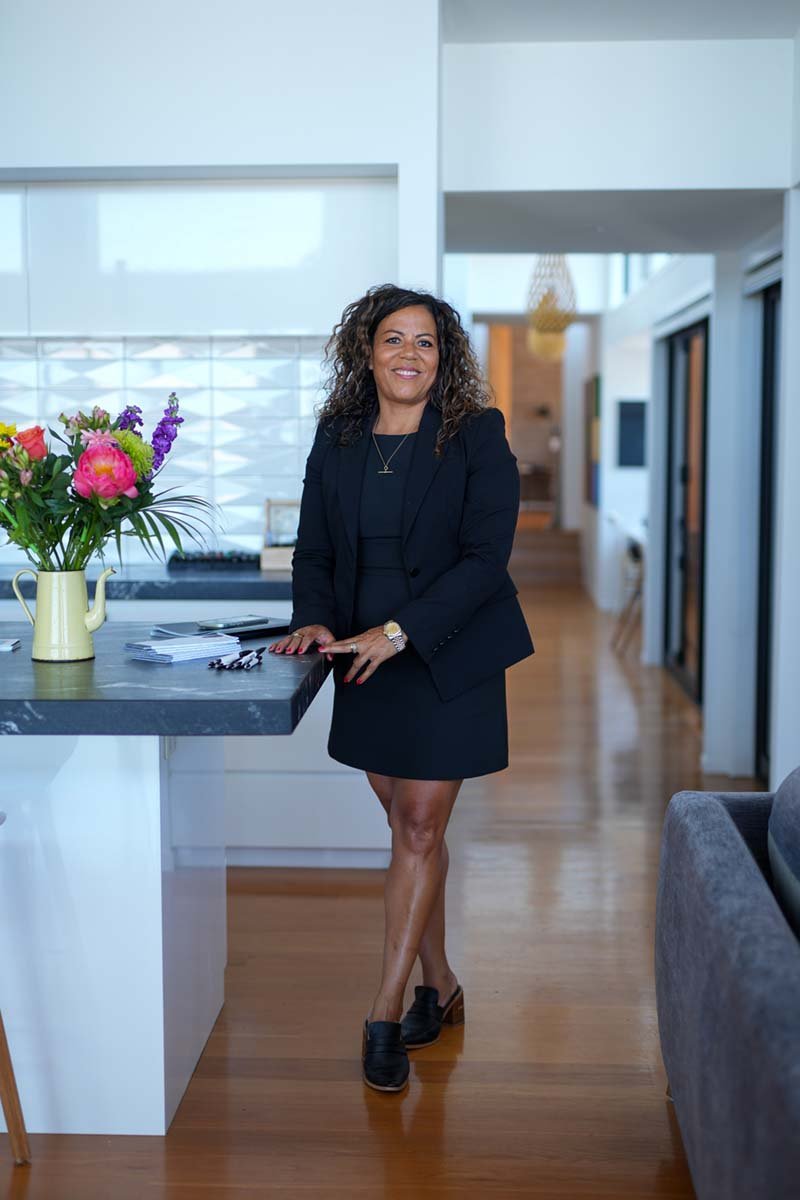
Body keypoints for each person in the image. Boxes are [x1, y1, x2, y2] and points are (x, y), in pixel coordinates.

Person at [268, 284, 534, 1092]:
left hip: (444, 652)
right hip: (362, 656)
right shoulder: (339, 436)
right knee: (407, 824)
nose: (409, 354)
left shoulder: (477, 435)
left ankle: (385, 1013)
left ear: (443, 358)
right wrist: (315, 619)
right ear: (368, 351)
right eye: (393, 339)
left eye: (425, 342)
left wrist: (401, 631)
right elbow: (313, 547)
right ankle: (441, 983)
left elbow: (486, 561)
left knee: (420, 827)